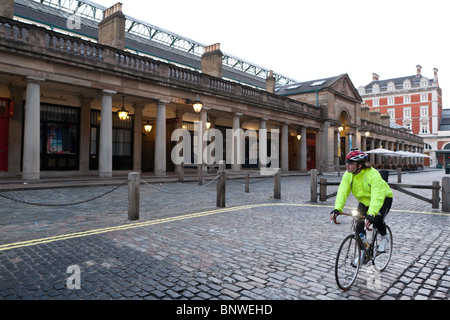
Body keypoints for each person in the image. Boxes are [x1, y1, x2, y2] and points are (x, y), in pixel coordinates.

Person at [330, 149, 393, 265]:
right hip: (364, 201)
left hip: (383, 198)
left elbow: (377, 196)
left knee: (377, 219)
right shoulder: (348, 175)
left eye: (350, 163)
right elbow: (342, 191)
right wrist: (337, 208)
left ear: (359, 165)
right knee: (359, 225)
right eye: (346, 162)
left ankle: (384, 237)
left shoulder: (373, 174)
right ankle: (363, 253)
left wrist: (372, 214)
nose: (347, 166)